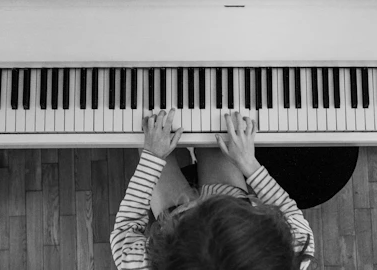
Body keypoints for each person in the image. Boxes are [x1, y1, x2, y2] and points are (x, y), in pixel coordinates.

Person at [110, 109, 315, 270]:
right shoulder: (290, 251)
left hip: (174, 217)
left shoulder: (146, 263)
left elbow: (124, 232)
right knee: (215, 123)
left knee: (149, 136)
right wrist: (249, 164)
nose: (198, 200)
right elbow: (288, 210)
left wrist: (151, 159)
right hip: (231, 200)